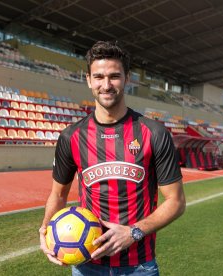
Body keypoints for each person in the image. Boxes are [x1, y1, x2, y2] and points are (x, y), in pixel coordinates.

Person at [39, 40, 186, 276]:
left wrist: (133, 232)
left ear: (127, 78)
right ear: (88, 80)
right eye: (98, 77)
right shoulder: (71, 137)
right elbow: (58, 194)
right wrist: (45, 230)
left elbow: (176, 202)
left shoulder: (154, 134)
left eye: (114, 76)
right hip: (87, 265)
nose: (106, 85)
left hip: (139, 266)